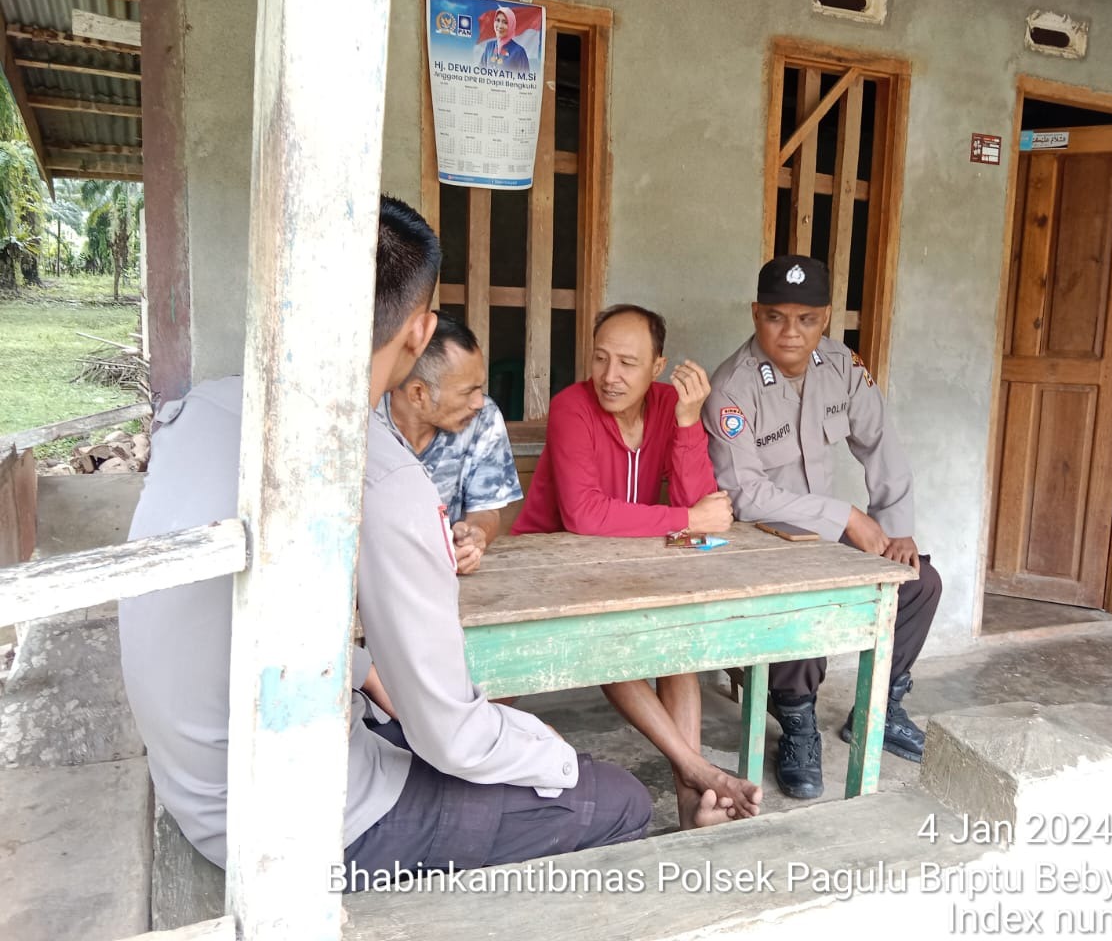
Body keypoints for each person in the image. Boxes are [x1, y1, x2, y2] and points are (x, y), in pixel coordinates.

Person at [118, 197, 651, 882]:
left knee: (441, 727)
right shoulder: (379, 475)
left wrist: (373, 676)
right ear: (420, 331)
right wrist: (553, 752)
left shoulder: (203, 409)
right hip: (295, 825)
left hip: (196, 784)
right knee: (615, 798)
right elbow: (452, 736)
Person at [512, 304, 762, 829]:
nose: (610, 376)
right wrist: (687, 518)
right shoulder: (571, 407)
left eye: (628, 363)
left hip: (631, 562)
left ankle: (690, 803)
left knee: (677, 646)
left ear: (657, 366)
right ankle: (699, 772)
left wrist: (689, 423)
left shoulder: (671, 405)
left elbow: (703, 512)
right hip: (548, 567)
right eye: (600, 358)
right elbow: (583, 515)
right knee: (614, 640)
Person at [702, 255, 942, 800]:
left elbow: (881, 444)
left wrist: (896, 528)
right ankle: (797, 724)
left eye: (807, 319)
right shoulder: (732, 387)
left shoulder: (842, 367)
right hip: (763, 542)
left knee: (920, 583)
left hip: (828, 537)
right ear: (756, 314)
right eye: (776, 317)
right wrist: (848, 517)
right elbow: (747, 495)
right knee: (805, 599)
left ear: (826, 318)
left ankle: (879, 707)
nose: (791, 332)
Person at [376, 311, 521, 575]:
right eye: (467, 392)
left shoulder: (484, 418)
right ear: (418, 394)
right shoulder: (366, 423)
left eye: (480, 388)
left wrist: (474, 536)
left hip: (448, 579)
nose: (479, 402)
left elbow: (486, 510)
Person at [476, 6, 530, 72]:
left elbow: (525, 77)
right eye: (498, 20)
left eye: (505, 22)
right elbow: (480, 72)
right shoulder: (489, 46)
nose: (500, 25)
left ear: (511, 25)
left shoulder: (519, 52)